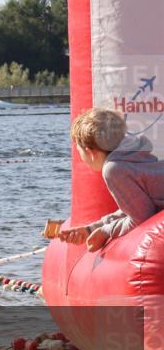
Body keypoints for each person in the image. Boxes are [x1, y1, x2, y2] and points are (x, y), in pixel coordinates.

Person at [57, 108, 164, 252]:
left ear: (89, 151)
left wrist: (106, 231)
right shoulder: (133, 154)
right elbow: (138, 208)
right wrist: (92, 228)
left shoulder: (114, 169)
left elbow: (142, 218)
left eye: (79, 151)